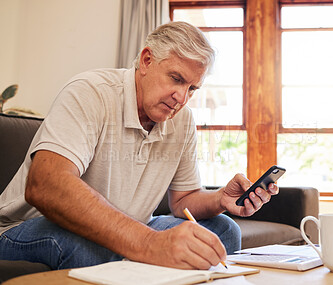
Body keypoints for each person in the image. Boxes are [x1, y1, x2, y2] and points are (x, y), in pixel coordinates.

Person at [0, 21, 278, 270]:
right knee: (89, 243)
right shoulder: (91, 92)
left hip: (134, 224)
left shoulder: (182, 121)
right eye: (176, 78)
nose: (181, 97)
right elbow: (46, 185)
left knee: (222, 230)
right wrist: (149, 244)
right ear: (146, 61)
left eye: (192, 89)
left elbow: (182, 201)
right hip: (26, 228)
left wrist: (220, 199)